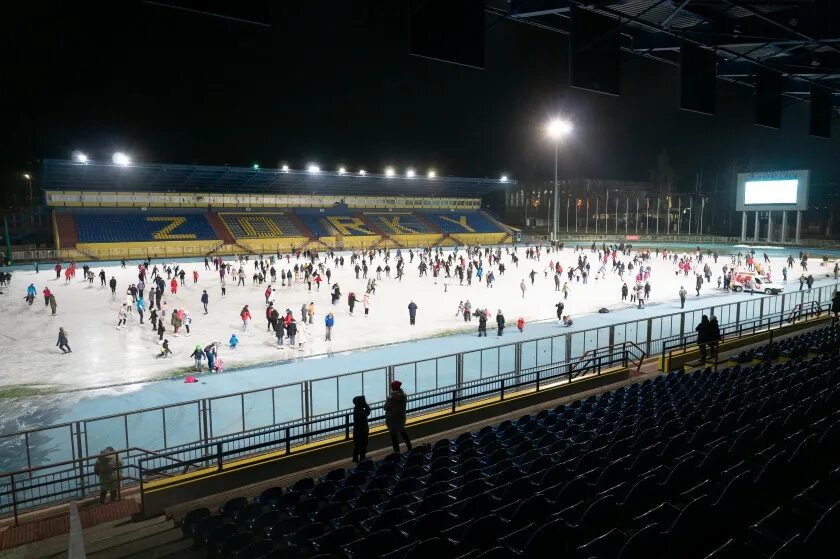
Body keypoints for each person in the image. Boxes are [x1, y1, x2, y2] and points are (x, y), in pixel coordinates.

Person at [384, 380, 412, 454]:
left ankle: (397, 453)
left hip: (392, 420)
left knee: (394, 437)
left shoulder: (391, 398)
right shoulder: (404, 396)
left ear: (392, 388)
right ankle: (410, 448)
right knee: (403, 433)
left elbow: (385, 408)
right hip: (401, 418)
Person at [352, 395, 371, 463]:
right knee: (360, 445)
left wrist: (365, 405)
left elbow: (367, 412)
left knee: (361, 445)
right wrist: (366, 405)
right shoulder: (359, 412)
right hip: (360, 431)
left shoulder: (358, 409)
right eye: (363, 402)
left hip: (360, 431)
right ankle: (359, 459)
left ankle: (359, 458)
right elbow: (367, 413)